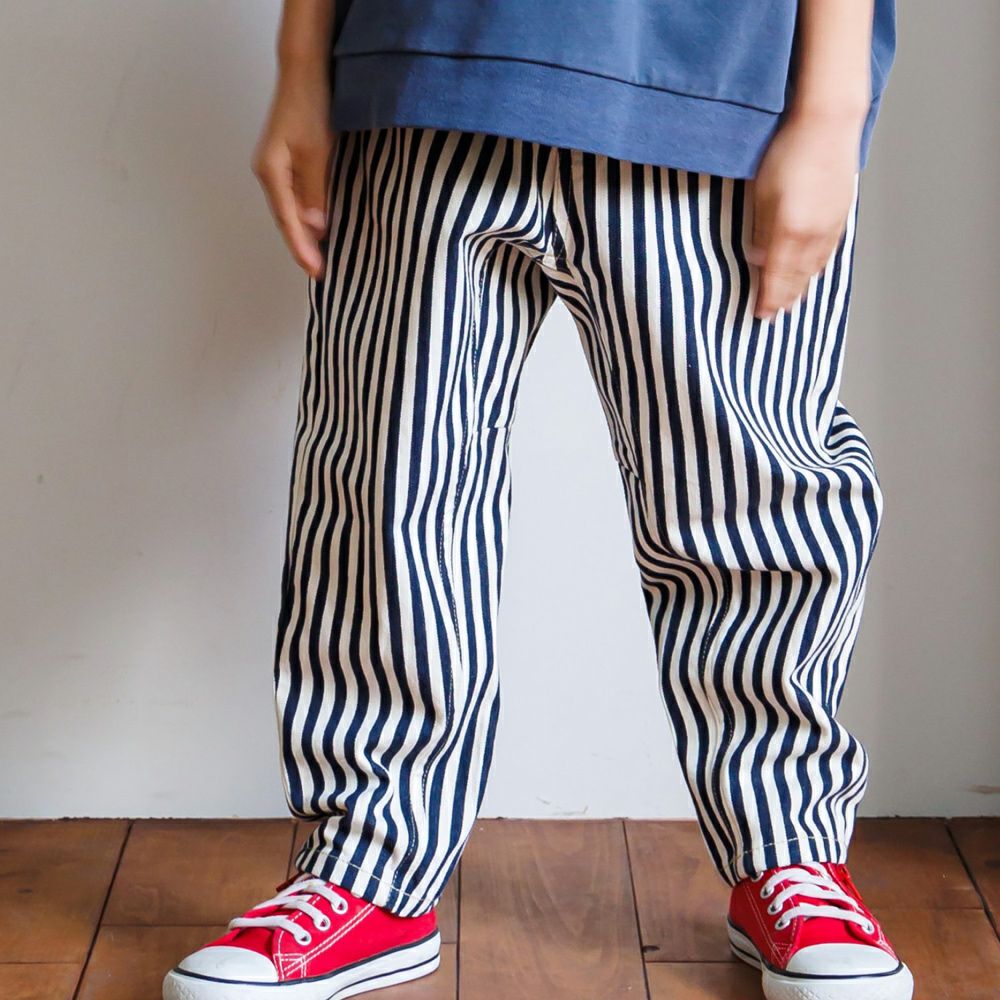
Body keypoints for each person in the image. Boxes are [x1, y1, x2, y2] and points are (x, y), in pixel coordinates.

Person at [163, 2, 912, 999]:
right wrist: (303, 62)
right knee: (389, 490)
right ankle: (364, 866)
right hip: (423, 67)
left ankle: (791, 855)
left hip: (716, 88)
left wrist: (829, 107)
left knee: (751, 495)